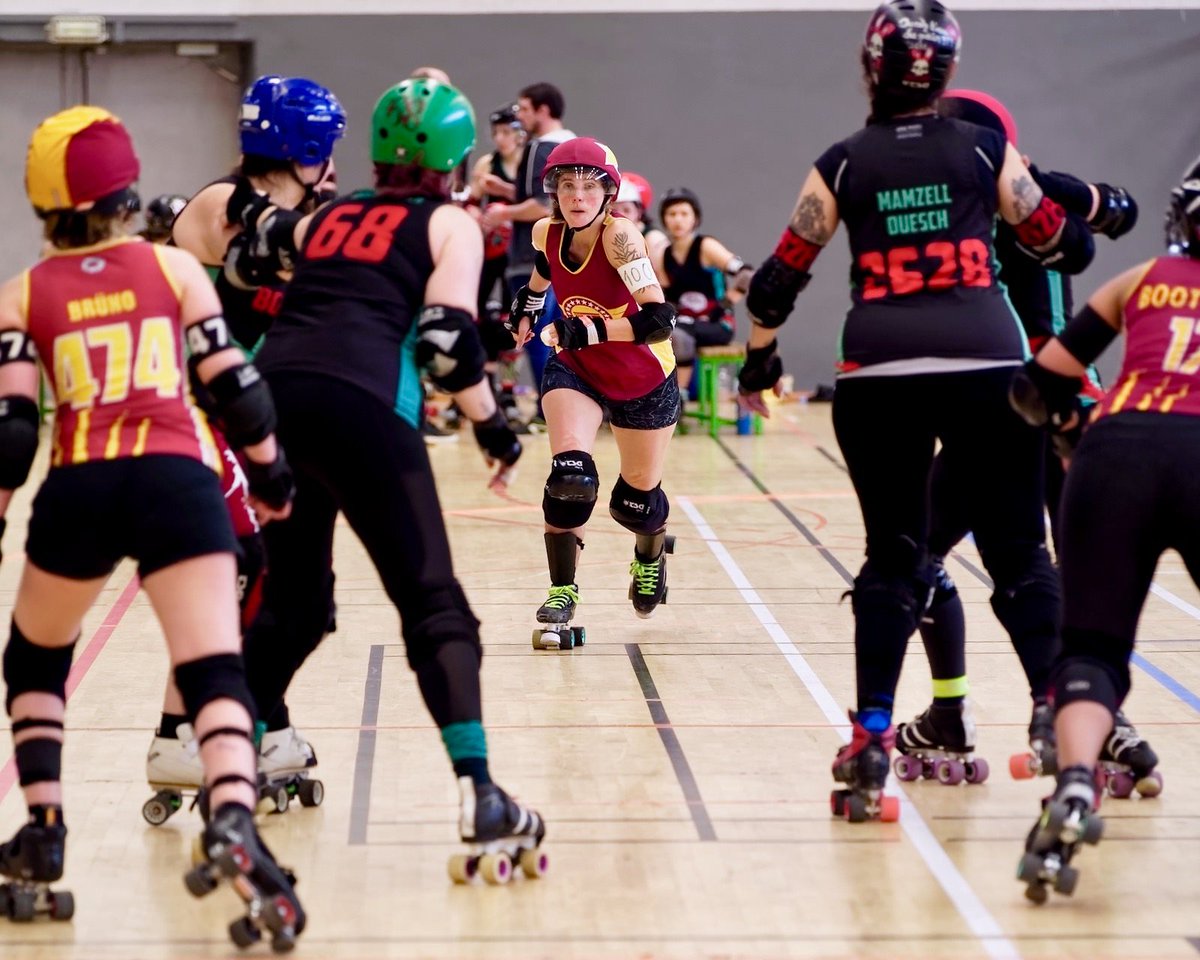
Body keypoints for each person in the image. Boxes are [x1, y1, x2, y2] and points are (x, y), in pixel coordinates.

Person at [737, 0, 1095, 822]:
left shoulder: (843, 163)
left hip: (879, 369)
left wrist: (759, 357)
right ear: (949, 72)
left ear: (871, 68)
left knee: (892, 559)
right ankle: (1051, 710)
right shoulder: (982, 148)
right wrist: (1070, 213)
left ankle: (869, 738)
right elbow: (1056, 241)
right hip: (985, 365)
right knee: (1020, 558)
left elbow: (780, 278)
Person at [224, 77, 544, 874]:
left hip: (274, 400)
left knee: (294, 610)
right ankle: (481, 793)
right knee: (435, 605)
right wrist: (495, 430)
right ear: (453, 155)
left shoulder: (330, 211)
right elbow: (445, 342)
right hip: (363, 403)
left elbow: (245, 257)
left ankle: (231, 775)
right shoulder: (452, 222)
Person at [0, 106, 302, 945]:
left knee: (34, 655)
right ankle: (235, 818)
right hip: (178, 481)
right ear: (128, 192)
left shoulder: (23, 293)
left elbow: (13, 435)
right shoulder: (173, 271)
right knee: (212, 666)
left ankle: (47, 825)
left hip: (82, 485)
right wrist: (273, 477)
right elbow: (236, 386)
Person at [893, 88, 1153, 789]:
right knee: (1073, 577)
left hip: (1008, 402)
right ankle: (1106, 721)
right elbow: (1121, 212)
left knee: (915, 558)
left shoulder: (955, 207)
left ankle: (960, 711)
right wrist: (1058, 182)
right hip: (1076, 404)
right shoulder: (1035, 197)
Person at [1010, 155, 1200, 902]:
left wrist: (1065, 432)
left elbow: (1037, 385)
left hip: (1115, 452)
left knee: (1091, 648)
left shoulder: (1144, 278)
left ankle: (1079, 784)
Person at [166, 74, 345, 796]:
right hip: (208, 421)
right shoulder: (224, 203)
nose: (330, 163)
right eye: (323, 149)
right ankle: (193, 732)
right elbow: (268, 246)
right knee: (249, 581)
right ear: (300, 147)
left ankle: (255, 719)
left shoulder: (295, 206)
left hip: (261, 423)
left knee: (279, 591)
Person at [508, 137, 679, 649]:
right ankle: (562, 589)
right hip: (577, 368)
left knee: (635, 503)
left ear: (608, 193)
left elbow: (659, 321)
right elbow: (542, 270)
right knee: (571, 479)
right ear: (554, 192)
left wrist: (592, 331)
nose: (577, 196)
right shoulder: (547, 230)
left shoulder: (621, 237)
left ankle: (650, 557)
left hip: (641, 374)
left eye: (589, 186)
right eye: (566, 186)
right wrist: (529, 302)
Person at [482, 83, 575, 421]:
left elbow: (541, 204)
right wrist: (508, 190)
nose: (520, 117)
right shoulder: (574, 147)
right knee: (561, 333)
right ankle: (564, 403)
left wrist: (502, 212)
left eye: (524, 109)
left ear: (543, 110)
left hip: (533, 256)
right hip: (569, 256)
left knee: (532, 332)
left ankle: (545, 404)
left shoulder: (539, 148)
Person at [653, 187, 755, 391]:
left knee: (678, 334)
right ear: (664, 219)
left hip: (718, 325)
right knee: (659, 331)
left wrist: (724, 305)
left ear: (695, 218)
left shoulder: (705, 246)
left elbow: (746, 274)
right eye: (672, 214)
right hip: (685, 322)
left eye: (684, 214)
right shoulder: (664, 254)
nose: (678, 220)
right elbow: (668, 297)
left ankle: (678, 397)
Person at [611, 173, 667, 261]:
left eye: (627, 210)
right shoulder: (604, 235)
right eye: (614, 210)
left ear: (639, 212)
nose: (620, 215)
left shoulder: (654, 239)